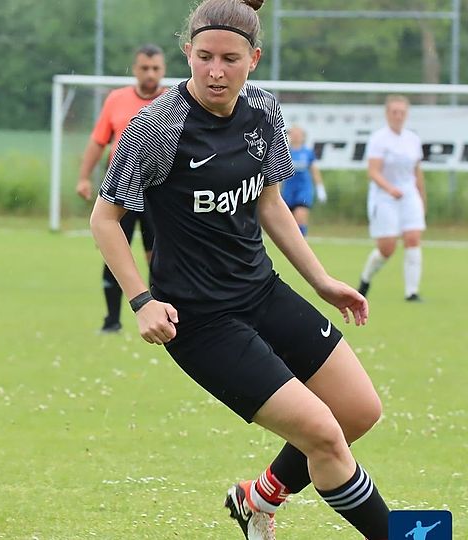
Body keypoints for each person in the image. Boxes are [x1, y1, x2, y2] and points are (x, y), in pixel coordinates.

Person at [89, 1, 391, 539]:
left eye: (230, 59)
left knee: (359, 412)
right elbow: (105, 220)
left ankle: (258, 499)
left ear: (253, 58)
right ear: (187, 53)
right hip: (203, 322)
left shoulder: (264, 111)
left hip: (262, 292)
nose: (215, 71)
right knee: (323, 433)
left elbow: (271, 204)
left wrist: (321, 281)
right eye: (203, 57)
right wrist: (141, 301)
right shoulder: (156, 126)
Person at [76, 44, 167, 333]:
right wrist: (84, 177)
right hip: (122, 190)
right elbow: (98, 141)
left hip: (160, 193)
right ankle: (112, 321)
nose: (150, 74)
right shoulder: (117, 100)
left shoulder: (174, 101)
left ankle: (168, 319)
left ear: (162, 70)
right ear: (135, 68)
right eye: (144, 68)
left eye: (155, 68)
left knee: (161, 258)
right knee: (115, 251)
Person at [357, 95, 427, 302]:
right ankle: (365, 280)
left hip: (409, 195)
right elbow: (374, 171)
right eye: (394, 112)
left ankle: (411, 292)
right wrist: (390, 188)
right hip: (384, 197)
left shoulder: (412, 139)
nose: (398, 116)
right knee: (387, 248)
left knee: (413, 238)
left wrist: (422, 197)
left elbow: (417, 172)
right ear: (387, 114)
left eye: (402, 112)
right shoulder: (379, 139)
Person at [280, 125, 326, 236]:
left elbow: (314, 171)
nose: (296, 137)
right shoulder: (284, 152)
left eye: (298, 134)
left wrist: (320, 188)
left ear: (303, 137)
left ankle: (301, 244)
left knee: (300, 217)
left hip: (303, 190)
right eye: (293, 134)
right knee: (289, 223)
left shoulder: (308, 153)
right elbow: (278, 174)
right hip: (289, 190)